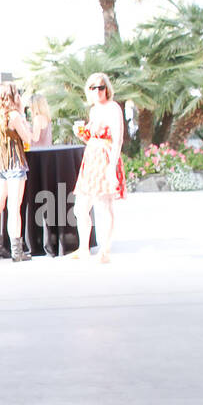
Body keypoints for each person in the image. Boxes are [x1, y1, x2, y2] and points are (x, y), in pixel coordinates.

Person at [71, 72, 125, 263]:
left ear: (107, 89)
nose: (97, 91)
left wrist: (112, 166)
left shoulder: (113, 108)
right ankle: (83, 247)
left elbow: (117, 138)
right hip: (91, 156)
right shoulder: (94, 110)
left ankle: (105, 250)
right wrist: (81, 134)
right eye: (93, 87)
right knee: (81, 207)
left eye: (101, 87)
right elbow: (91, 137)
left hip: (105, 157)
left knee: (104, 206)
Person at [0, 82, 34, 262]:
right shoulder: (14, 116)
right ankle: (17, 251)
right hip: (15, 164)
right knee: (14, 207)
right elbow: (28, 138)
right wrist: (21, 113)